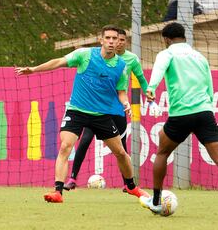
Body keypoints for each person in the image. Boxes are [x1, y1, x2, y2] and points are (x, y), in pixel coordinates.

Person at [15, 25, 149, 203]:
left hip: (102, 114)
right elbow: (58, 61)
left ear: (119, 42)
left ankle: (132, 187)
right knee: (65, 146)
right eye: (107, 38)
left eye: (114, 39)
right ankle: (58, 191)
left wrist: (125, 103)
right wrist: (33, 69)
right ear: (101, 40)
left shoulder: (121, 66)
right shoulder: (84, 55)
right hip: (77, 110)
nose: (111, 41)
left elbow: (121, 91)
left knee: (121, 153)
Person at [139, 22, 218, 214]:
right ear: (184, 37)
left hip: (181, 114)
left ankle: (157, 201)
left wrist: (151, 88)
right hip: (204, 112)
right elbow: (209, 85)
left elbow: (159, 69)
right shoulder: (199, 56)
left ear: (166, 39)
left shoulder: (167, 53)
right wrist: (207, 107)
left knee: (162, 153)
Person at [63, 28, 149, 192]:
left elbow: (140, 78)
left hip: (117, 109)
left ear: (123, 42)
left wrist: (148, 93)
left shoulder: (129, 60)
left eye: (120, 40)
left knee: (121, 147)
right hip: (97, 108)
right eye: (111, 38)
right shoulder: (98, 56)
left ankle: (128, 184)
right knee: (86, 138)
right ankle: (72, 178)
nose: (116, 42)